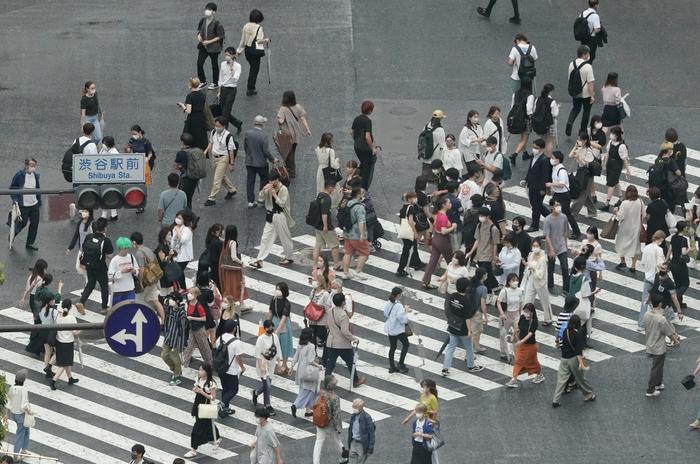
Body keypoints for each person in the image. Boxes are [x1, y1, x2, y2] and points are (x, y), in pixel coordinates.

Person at [249, 170, 295, 268]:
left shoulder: (283, 189)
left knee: (285, 238)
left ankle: (289, 257)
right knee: (265, 238)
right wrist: (263, 190)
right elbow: (260, 199)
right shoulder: (269, 187)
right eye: (270, 181)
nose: (271, 183)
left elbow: (282, 203)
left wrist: (274, 195)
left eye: (273, 181)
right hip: (270, 216)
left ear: (277, 180)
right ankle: (259, 260)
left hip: (280, 216)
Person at [441, 277, 484, 376]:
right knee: (469, 347)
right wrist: (469, 331)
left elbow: (449, 309)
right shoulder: (466, 301)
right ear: (467, 288)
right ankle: (471, 366)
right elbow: (467, 318)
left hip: (453, 326)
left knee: (451, 348)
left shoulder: (452, 296)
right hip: (463, 329)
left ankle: (445, 368)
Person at [552, 315, 597, 407]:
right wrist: (582, 362)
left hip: (564, 358)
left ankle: (555, 400)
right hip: (573, 360)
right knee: (580, 379)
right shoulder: (577, 334)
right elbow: (578, 351)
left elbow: (562, 344)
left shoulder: (565, 331)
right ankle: (588, 394)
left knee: (561, 380)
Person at [325, 293, 365, 388]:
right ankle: (355, 380)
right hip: (342, 344)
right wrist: (354, 338)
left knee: (330, 363)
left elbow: (327, 325)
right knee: (351, 362)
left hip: (331, 342)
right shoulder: (343, 315)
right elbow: (345, 331)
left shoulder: (330, 311)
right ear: (343, 302)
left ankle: (326, 382)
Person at [644, 294, 680, 398]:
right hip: (659, 347)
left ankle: (658, 384)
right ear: (660, 304)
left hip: (650, 343)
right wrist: (676, 341)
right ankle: (650, 389)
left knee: (659, 366)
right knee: (656, 368)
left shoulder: (647, 314)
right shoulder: (661, 319)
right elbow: (669, 332)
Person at [76, 217, 114, 314]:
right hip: (100, 267)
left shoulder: (89, 237)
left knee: (90, 284)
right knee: (104, 287)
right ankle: (104, 308)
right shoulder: (106, 240)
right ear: (105, 228)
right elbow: (110, 255)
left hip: (89, 265)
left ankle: (81, 302)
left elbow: (83, 248)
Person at [184, 364, 221, 458]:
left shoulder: (211, 383)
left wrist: (202, 392)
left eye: (201, 370)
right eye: (199, 370)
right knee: (208, 423)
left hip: (205, 406)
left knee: (197, 429)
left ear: (206, 372)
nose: (199, 371)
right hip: (197, 405)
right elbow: (195, 388)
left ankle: (193, 449)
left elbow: (213, 398)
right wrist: (195, 390)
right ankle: (216, 437)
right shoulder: (198, 379)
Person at [506, 303, 545, 387]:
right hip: (522, 345)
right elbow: (518, 328)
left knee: (532, 362)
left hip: (530, 346)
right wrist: (514, 335)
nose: (525, 313)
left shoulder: (534, 322)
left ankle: (539, 375)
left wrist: (521, 341)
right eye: (524, 311)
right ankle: (514, 380)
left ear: (531, 312)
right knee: (518, 361)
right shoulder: (522, 317)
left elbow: (530, 334)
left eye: (527, 311)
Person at [546, 151, 582, 239]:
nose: (551, 159)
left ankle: (576, 232)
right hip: (557, 194)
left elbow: (562, 184)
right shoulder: (555, 167)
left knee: (567, 213)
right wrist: (552, 189)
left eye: (553, 158)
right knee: (553, 212)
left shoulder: (561, 170)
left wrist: (551, 184)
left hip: (564, 195)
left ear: (558, 160)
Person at [244, 115, 277, 208]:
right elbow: (266, 151)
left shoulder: (247, 133)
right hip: (261, 163)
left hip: (249, 162)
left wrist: (249, 155)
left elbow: (245, 147)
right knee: (264, 180)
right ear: (262, 124)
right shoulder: (264, 136)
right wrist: (272, 159)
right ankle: (261, 199)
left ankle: (250, 201)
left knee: (250, 181)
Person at [422, 197, 456, 290]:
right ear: (443, 205)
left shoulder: (437, 214)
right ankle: (453, 280)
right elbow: (444, 231)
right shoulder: (443, 217)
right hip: (443, 240)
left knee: (432, 261)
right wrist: (453, 226)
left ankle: (426, 280)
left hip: (436, 238)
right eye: (448, 202)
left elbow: (435, 225)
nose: (450, 203)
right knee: (452, 262)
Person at [203, 116, 237, 207]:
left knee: (217, 179)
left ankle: (212, 198)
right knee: (221, 176)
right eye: (215, 125)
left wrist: (231, 163)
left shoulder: (228, 136)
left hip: (223, 158)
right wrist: (206, 151)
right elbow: (211, 142)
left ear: (224, 126)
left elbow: (231, 151)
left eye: (218, 126)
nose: (216, 127)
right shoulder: (213, 132)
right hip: (214, 157)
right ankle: (232, 189)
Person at [130, 232, 164, 321]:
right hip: (153, 280)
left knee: (138, 301)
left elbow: (142, 269)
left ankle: (138, 321)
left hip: (146, 281)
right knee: (155, 301)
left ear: (134, 242)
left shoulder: (139, 253)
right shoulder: (147, 249)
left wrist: (140, 282)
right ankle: (164, 320)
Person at [9, 158, 42, 251]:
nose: (33, 168)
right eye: (31, 165)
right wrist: (15, 200)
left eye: (34, 165)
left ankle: (30, 243)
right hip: (23, 205)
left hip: (34, 204)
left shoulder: (35, 175)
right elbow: (12, 188)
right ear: (26, 165)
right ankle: (12, 235)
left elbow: (38, 188)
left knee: (34, 224)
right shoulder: (19, 175)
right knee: (22, 223)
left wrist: (39, 201)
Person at [277, 90, 311, 178]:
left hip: (286, 135)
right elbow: (303, 118)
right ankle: (289, 167)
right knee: (292, 150)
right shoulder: (298, 107)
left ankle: (291, 170)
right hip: (296, 133)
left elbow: (280, 121)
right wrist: (307, 129)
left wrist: (278, 119)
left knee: (288, 152)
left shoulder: (283, 109)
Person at [237, 9, 270, 96]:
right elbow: (259, 41)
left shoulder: (246, 26)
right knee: (254, 70)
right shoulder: (259, 28)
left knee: (252, 67)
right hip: (255, 51)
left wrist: (239, 50)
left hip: (248, 51)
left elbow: (243, 40)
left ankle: (250, 87)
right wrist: (266, 40)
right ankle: (250, 88)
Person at [216, 319, 245, 418]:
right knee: (233, 390)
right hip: (231, 370)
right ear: (234, 329)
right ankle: (222, 404)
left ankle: (226, 408)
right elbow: (238, 357)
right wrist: (242, 367)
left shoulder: (220, 338)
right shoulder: (236, 342)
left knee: (225, 388)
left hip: (220, 368)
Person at [565, 46, 596, 137]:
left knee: (576, 108)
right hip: (586, 94)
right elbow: (590, 83)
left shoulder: (572, 64)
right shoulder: (588, 66)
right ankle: (582, 130)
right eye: (587, 53)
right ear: (584, 54)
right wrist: (592, 95)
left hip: (575, 91)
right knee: (586, 111)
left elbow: (569, 78)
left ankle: (570, 122)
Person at [638, 231, 666, 331]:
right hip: (656, 278)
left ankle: (641, 324)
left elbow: (643, 263)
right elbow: (659, 264)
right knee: (661, 299)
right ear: (661, 239)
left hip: (647, 277)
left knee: (644, 301)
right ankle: (664, 320)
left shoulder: (646, 248)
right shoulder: (659, 249)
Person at [312, 375, 343, 464]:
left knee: (318, 442)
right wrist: (338, 428)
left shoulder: (320, 392)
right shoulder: (335, 397)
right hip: (329, 424)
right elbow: (336, 415)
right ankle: (344, 457)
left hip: (319, 421)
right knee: (337, 441)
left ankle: (316, 462)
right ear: (331, 385)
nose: (336, 381)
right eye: (335, 381)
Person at [340, 188, 370, 280]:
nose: (363, 194)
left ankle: (345, 273)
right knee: (364, 253)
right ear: (358, 194)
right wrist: (362, 234)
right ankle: (358, 272)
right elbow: (361, 221)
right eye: (362, 192)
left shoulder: (348, 203)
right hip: (356, 234)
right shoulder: (360, 207)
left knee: (348, 252)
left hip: (347, 232)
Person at [254, 319, 282, 415]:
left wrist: (279, 363)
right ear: (265, 328)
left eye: (272, 327)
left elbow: (278, 350)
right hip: (263, 363)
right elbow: (257, 353)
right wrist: (261, 366)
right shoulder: (261, 339)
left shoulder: (275, 337)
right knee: (268, 385)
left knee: (268, 384)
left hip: (272, 363)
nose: (271, 329)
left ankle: (256, 393)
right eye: (269, 327)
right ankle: (267, 405)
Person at [291, 328, 321, 418]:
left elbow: (296, 356)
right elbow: (310, 361)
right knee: (308, 390)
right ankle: (295, 405)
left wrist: (291, 367)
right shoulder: (311, 346)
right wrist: (319, 366)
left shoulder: (300, 345)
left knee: (304, 389)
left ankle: (308, 411)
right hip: (309, 372)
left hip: (300, 371)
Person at [468, 207, 500, 293]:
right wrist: (471, 252)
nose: (480, 217)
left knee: (483, 275)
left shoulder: (493, 229)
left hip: (488, 256)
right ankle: (495, 284)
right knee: (488, 272)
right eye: (480, 215)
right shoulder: (479, 225)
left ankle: (488, 292)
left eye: (482, 215)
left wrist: (494, 258)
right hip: (480, 254)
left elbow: (495, 244)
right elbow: (477, 240)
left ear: (488, 216)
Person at [521, 138, 550, 232]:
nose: (534, 149)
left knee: (536, 207)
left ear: (541, 149)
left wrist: (542, 189)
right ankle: (551, 217)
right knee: (536, 205)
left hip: (538, 187)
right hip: (531, 185)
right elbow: (530, 169)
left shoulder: (544, 160)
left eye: (536, 147)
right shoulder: (534, 156)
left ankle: (534, 225)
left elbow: (545, 175)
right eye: (533, 147)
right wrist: (526, 180)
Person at [313, 181, 343, 270]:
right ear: (329, 188)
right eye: (333, 188)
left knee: (317, 246)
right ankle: (336, 265)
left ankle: (315, 265)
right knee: (335, 245)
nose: (334, 190)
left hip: (317, 225)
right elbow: (324, 214)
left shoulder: (319, 195)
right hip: (325, 227)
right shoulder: (327, 199)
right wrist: (326, 226)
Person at [3, 369, 33, 457]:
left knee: (26, 430)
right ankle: (15, 454)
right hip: (21, 415)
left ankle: (24, 450)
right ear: (24, 380)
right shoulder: (23, 389)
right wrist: (29, 411)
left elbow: (9, 401)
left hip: (14, 414)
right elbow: (24, 404)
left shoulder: (12, 387)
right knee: (20, 434)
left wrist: (6, 414)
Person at [613, 185, 644, 272]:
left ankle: (623, 261)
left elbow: (620, 216)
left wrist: (616, 211)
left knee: (620, 244)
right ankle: (633, 266)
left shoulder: (624, 203)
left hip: (625, 228)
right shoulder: (640, 201)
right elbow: (644, 215)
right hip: (636, 228)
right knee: (634, 247)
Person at [50, 300, 79, 390]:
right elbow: (75, 332)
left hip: (59, 341)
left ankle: (70, 378)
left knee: (66, 363)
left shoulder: (58, 316)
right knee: (64, 364)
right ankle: (53, 381)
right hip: (68, 343)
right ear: (70, 307)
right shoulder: (71, 318)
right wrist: (80, 331)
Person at [218, 224, 249, 310]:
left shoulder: (226, 242)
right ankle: (241, 304)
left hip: (226, 269)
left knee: (229, 286)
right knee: (239, 285)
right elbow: (234, 257)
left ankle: (229, 303)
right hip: (234, 269)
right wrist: (242, 263)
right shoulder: (233, 243)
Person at [544, 198, 570, 294]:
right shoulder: (548, 220)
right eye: (556, 205)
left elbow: (565, 231)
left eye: (559, 204)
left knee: (565, 267)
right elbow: (547, 236)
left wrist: (565, 244)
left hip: (561, 246)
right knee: (551, 268)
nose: (558, 207)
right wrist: (551, 249)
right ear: (551, 207)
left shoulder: (564, 217)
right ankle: (550, 286)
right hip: (551, 247)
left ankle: (565, 289)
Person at [601, 126, 631, 210]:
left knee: (611, 184)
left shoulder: (622, 146)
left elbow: (624, 159)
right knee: (615, 182)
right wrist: (604, 165)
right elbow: (607, 154)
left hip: (616, 166)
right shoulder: (610, 142)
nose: (611, 135)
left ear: (617, 135)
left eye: (613, 134)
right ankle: (621, 198)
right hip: (610, 164)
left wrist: (627, 170)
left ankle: (607, 203)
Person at [195, 3, 225, 90]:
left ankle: (215, 83)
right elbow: (199, 30)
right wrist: (199, 36)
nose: (207, 11)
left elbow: (221, 36)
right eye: (206, 9)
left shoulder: (217, 24)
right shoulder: (203, 20)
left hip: (214, 48)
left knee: (214, 65)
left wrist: (209, 42)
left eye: (209, 9)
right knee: (199, 63)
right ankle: (202, 81)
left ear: (214, 12)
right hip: (203, 46)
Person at [182, 287, 214, 368]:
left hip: (199, 329)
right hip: (192, 328)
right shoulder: (189, 303)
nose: (189, 295)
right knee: (189, 345)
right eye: (189, 293)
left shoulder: (199, 306)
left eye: (191, 293)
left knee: (204, 347)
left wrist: (192, 318)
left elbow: (204, 318)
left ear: (196, 295)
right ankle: (184, 363)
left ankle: (209, 364)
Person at [350, 100, 379, 190]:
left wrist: (356, 140)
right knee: (367, 168)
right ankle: (362, 188)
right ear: (370, 110)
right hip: (365, 148)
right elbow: (367, 137)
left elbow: (351, 131)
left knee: (363, 163)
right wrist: (373, 148)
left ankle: (356, 180)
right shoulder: (367, 121)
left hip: (357, 146)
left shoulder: (357, 119)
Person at [162, 292, 188, 386]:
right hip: (168, 336)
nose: (170, 301)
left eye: (172, 299)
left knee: (175, 358)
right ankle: (175, 370)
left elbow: (183, 329)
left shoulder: (181, 313)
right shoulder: (170, 309)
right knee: (164, 355)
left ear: (177, 301)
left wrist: (181, 344)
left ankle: (176, 375)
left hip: (177, 339)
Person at [569, 132, 597, 217]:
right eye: (578, 139)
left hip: (587, 174)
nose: (578, 141)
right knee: (586, 195)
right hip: (581, 172)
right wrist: (575, 146)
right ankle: (593, 212)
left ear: (585, 141)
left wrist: (578, 157)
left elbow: (586, 164)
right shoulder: (580, 148)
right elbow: (570, 155)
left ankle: (572, 213)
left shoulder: (589, 151)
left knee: (581, 194)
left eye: (580, 140)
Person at [383, 287, 410, 374]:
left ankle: (392, 366)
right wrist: (406, 311)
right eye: (401, 294)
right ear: (398, 295)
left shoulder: (389, 302)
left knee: (393, 347)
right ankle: (401, 364)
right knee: (406, 344)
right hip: (398, 330)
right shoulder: (398, 305)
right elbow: (401, 318)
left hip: (390, 329)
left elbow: (385, 314)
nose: (401, 296)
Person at [497, 273, 523, 361]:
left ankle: (517, 353)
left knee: (517, 333)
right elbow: (498, 302)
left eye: (516, 280)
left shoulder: (519, 291)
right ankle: (503, 353)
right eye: (513, 280)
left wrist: (521, 314)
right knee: (503, 334)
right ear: (509, 282)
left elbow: (520, 303)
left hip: (516, 315)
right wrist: (502, 313)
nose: (515, 282)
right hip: (506, 315)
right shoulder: (504, 291)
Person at [178, 78, 209, 151]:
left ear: (190, 85)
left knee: (188, 133)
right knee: (200, 134)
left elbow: (189, 111)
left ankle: (188, 146)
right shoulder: (202, 95)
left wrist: (182, 105)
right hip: (201, 117)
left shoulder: (190, 96)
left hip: (193, 118)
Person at [269, 282, 293, 374]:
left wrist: (278, 330)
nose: (277, 291)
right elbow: (270, 311)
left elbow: (284, 317)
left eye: (279, 289)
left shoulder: (286, 303)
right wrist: (268, 323)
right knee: (274, 344)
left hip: (284, 324)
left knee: (284, 344)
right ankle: (278, 363)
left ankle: (284, 364)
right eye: (276, 288)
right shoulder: (273, 299)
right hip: (275, 321)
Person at [217, 47, 243, 133]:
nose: (226, 56)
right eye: (225, 54)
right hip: (223, 89)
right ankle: (238, 123)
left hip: (231, 90)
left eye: (228, 55)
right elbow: (220, 77)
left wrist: (231, 68)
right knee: (223, 110)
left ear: (232, 55)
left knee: (226, 111)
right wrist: (219, 90)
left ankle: (225, 130)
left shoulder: (238, 66)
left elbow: (235, 79)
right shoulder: (223, 64)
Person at [174, 133, 201, 209]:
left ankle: (189, 217)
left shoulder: (181, 153)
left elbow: (176, 166)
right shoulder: (196, 151)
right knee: (189, 199)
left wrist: (181, 166)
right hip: (194, 179)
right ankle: (189, 218)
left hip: (185, 179)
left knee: (181, 199)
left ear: (183, 142)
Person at [532, 84, 560, 156]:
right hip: (549, 124)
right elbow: (555, 114)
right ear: (550, 92)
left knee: (542, 139)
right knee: (549, 141)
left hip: (539, 123)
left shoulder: (538, 99)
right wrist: (558, 107)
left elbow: (535, 110)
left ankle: (540, 155)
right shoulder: (552, 101)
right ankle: (548, 156)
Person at [668, 221, 690, 309]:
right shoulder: (683, 239)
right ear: (684, 229)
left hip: (673, 263)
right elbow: (683, 252)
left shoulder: (673, 237)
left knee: (678, 284)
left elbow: (669, 251)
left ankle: (679, 303)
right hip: (680, 265)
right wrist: (690, 249)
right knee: (685, 284)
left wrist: (666, 261)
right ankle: (674, 298)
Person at [419, 110, 447, 180]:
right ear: (440, 119)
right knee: (434, 164)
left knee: (426, 164)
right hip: (435, 151)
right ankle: (433, 178)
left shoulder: (426, 126)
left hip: (425, 150)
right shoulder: (440, 129)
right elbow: (442, 144)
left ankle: (424, 177)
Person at [347, 399, 375, 464]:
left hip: (362, 444)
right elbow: (350, 429)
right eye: (353, 406)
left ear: (360, 407)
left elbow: (371, 434)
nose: (353, 408)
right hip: (353, 442)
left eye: (355, 407)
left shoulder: (367, 418)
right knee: (351, 461)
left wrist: (370, 448)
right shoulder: (353, 415)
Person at [170, 211, 193, 289]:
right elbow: (173, 240)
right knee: (179, 273)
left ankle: (182, 288)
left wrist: (178, 231)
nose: (177, 219)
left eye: (180, 218)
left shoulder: (186, 230)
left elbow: (183, 240)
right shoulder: (175, 228)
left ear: (184, 220)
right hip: (176, 254)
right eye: (177, 217)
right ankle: (182, 288)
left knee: (178, 272)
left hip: (184, 256)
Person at [459, 110, 485, 175]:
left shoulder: (479, 127)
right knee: (472, 170)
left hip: (476, 152)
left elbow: (481, 136)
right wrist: (475, 140)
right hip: (468, 153)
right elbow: (463, 140)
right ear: (470, 118)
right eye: (474, 117)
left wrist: (482, 140)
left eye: (477, 117)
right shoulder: (466, 129)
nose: (476, 119)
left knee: (479, 169)